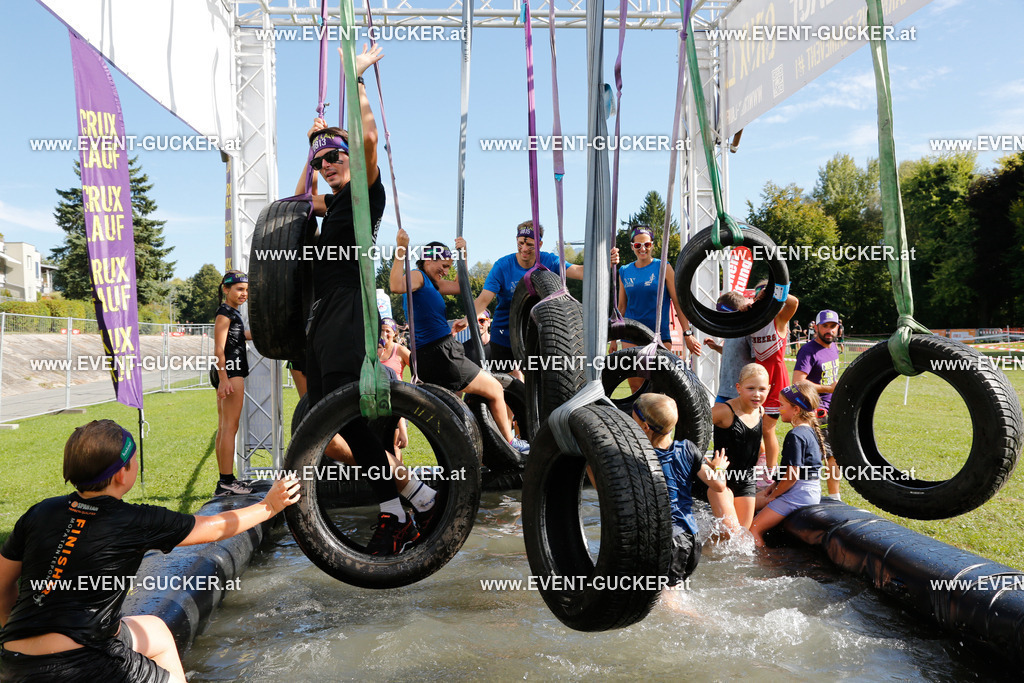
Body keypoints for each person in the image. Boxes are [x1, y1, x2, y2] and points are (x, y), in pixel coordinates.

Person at [0, 420, 300, 682]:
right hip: (82, 664)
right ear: (122, 474)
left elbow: (1, 588)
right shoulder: (135, 520)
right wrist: (269, 505)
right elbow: (215, 527)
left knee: (155, 631)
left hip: (12, 661)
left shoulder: (39, 512)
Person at [301, 43, 436, 555]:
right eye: (323, 161)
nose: (329, 164)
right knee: (340, 423)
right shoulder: (329, 202)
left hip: (347, 315)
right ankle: (400, 505)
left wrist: (355, 80)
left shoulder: (364, 198)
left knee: (350, 420)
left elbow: (369, 139)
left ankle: (413, 500)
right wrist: (312, 146)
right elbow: (292, 205)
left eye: (336, 157)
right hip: (320, 321)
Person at [390, 230, 529, 454]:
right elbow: (395, 285)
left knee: (455, 409)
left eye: (448, 267)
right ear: (427, 259)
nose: (445, 271)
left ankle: (462, 454)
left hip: (430, 355)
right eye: (442, 266)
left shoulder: (432, 284)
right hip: (441, 353)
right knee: (494, 388)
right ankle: (511, 444)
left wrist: (463, 255)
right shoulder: (417, 276)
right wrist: (400, 248)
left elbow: (460, 286)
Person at [472, 220, 617, 381]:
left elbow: (580, 272)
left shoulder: (549, 261)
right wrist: (467, 319)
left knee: (541, 382)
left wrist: (605, 262)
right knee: (504, 386)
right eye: (521, 243)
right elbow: (484, 299)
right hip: (504, 334)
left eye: (530, 245)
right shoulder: (502, 266)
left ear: (540, 244)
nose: (524, 249)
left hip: (537, 335)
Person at [630, 394, 731, 585]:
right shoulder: (687, 448)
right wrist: (718, 468)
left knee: (669, 602)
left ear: (644, 427)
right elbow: (719, 485)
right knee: (671, 591)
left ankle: (702, 617)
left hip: (672, 541)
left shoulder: (643, 459)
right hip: (693, 539)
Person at [750, 382, 824, 547]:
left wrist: (775, 495)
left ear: (796, 409)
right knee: (753, 501)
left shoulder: (795, 435)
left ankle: (764, 566)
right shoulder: (810, 431)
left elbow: (792, 476)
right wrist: (773, 486)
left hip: (797, 494)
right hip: (809, 491)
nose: (778, 408)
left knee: (753, 529)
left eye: (782, 405)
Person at [617, 225, 702, 360]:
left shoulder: (664, 267)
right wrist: (615, 337)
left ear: (652, 245)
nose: (643, 249)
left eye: (647, 244)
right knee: (634, 381)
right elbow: (621, 307)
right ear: (632, 246)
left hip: (658, 334)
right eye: (638, 245)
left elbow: (678, 302)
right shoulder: (624, 270)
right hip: (631, 334)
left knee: (657, 379)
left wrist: (687, 333)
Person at [748, 281, 799, 475]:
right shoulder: (753, 321)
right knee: (756, 427)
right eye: (758, 297)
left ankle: (770, 472)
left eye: (764, 297)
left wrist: (773, 292)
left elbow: (793, 303)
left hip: (776, 378)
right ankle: (763, 463)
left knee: (768, 428)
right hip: (758, 378)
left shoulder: (779, 319)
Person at [710, 363, 768, 530]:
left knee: (742, 538)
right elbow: (693, 427)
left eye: (762, 389)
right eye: (751, 388)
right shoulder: (724, 411)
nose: (757, 394)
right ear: (739, 388)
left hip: (746, 479)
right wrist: (706, 464)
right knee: (729, 533)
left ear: (769, 389)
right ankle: (706, 550)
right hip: (722, 478)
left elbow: (754, 441)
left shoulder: (760, 411)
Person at [793, 309, 843, 500]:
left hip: (832, 408)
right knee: (827, 456)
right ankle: (832, 497)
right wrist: (828, 389)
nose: (829, 330)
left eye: (833, 326)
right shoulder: (808, 350)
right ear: (816, 327)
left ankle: (830, 496)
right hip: (814, 411)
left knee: (832, 454)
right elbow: (798, 382)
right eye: (825, 326)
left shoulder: (833, 347)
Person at [213, 270, 255, 497]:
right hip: (231, 372)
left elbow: (239, 337)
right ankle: (227, 481)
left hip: (230, 373)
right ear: (226, 289)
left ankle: (225, 480)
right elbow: (218, 349)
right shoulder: (225, 314)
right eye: (239, 289)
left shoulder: (232, 313)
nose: (244, 294)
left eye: (247, 290)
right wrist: (223, 380)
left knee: (225, 427)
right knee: (230, 427)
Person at [704, 291, 755, 405]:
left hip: (740, 393)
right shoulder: (729, 331)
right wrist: (717, 348)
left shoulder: (747, 331)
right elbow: (735, 353)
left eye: (722, 314)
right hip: (724, 390)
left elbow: (755, 360)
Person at [376, 318, 410, 459]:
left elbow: (417, 369)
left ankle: (399, 476)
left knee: (394, 444)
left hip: (396, 401)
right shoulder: (375, 348)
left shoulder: (400, 350)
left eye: (388, 331)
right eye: (382, 330)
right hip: (377, 401)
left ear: (395, 333)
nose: (384, 333)